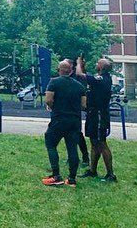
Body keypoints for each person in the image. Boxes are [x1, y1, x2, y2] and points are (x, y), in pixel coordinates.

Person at [41, 59, 86, 187]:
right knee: (72, 148)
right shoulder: (79, 86)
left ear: (59, 70)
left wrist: (54, 107)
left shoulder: (54, 82)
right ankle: (71, 179)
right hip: (75, 121)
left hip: (59, 119)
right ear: (71, 71)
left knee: (50, 143)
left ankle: (56, 176)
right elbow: (83, 105)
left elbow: (48, 99)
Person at [75, 56, 116, 181]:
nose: (96, 64)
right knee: (94, 142)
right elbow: (86, 76)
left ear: (102, 67)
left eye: (98, 63)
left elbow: (79, 74)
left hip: (99, 115)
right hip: (93, 114)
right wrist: (82, 65)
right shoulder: (102, 78)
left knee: (101, 143)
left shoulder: (102, 79)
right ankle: (93, 170)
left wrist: (78, 62)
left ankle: (110, 174)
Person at [69, 60, 90, 167]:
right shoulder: (67, 77)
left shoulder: (78, 78)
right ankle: (72, 156)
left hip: (75, 110)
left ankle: (85, 156)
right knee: (68, 135)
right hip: (66, 109)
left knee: (77, 134)